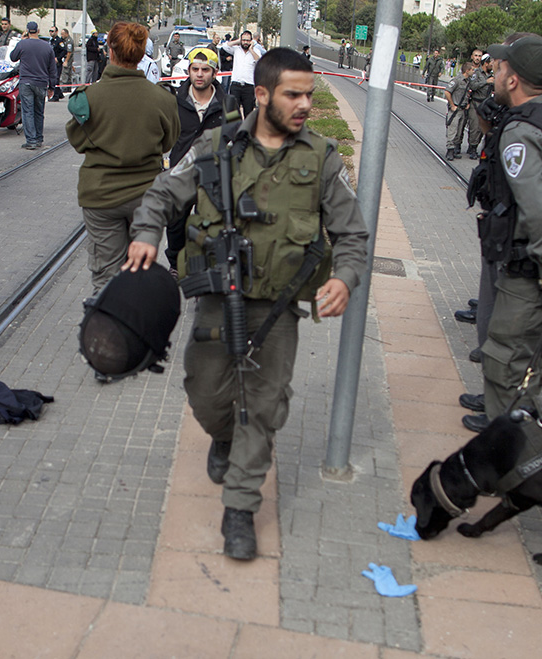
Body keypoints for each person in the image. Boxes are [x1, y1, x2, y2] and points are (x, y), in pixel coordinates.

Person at [123, 47, 367, 559]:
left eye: (310, 93)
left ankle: (240, 507)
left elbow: (352, 234)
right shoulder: (216, 146)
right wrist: (146, 232)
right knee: (206, 392)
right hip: (216, 297)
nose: (305, 104)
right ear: (262, 94)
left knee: (262, 406)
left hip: (279, 310)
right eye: (293, 94)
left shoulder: (320, 158)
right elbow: (162, 194)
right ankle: (222, 436)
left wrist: (345, 278)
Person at [460, 34, 542, 434]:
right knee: (529, 368)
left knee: (505, 365)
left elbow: (538, 210)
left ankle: (513, 468)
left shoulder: (522, 131)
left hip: (534, 272)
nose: (494, 75)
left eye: (499, 70)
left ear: (512, 80)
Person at [67, 21, 180, 292]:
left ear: (110, 51)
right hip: (147, 199)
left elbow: (77, 141)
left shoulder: (89, 97)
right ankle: (139, 327)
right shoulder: (162, 99)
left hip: (101, 196)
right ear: (142, 54)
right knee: (141, 273)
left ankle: (106, 329)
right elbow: (169, 142)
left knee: (106, 279)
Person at [163, 47, 224, 274]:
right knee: (176, 223)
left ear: (214, 73)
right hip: (181, 172)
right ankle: (175, 264)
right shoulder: (175, 101)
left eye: (205, 70)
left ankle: (204, 267)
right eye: (195, 69)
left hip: (213, 174)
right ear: (188, 71)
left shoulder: (226, 102)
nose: (199, 74)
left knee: (209, 223)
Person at [9, 21, 57, 150]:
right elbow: (52, 69)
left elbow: (13, 57)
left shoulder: (23, 44)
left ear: (27, 31)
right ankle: (39, 138)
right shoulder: (47, 46)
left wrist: (22, 40)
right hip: (41, 83)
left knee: (28, 111)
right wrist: (52, 87)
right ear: (38, 30)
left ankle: (31, 140)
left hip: (26, 82)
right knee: (39, 111)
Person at [219, 31, 266, 117]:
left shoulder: (255, 51)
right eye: (243, 40)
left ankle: (246, 130)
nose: (245, 42)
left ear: (251, 41)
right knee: (233, 113)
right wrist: (238, 41)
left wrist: (251, 49)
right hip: (236, 85)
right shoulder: (236, 50)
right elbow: (225, 46)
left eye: (247, 40)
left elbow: (259, 62)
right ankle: (234, 130)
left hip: (248, 86)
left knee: (248, 113)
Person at [465, 50, 494, 159]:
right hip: (476, 103)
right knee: (474, 127)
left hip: (486, 103)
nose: (492, 65)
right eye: (491, 63)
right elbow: (472, 86)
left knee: (482, 128)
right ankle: (472, 147)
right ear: (485, 63)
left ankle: (474, 146)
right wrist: (486, 82)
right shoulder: (476, 73)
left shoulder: (491, 75)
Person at [444, 61, 474, 160]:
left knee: (459, 131)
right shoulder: (457, 80)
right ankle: (450, 150)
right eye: (472, 70)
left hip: (462, 109)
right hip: (455, 109)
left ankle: (455, 149)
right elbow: (447, 92)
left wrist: (467, 103)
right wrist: (452, 105)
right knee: (452, 130)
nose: (473, 72)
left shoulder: (468, 81)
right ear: (467, 70)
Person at [58, 27, 75, 97]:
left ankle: (65, 88)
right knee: (68, 73)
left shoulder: (69, 41)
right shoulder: (64, 40)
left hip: (67, 59)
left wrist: (66, 61)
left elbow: (69, 52)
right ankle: (68, 87)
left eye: (63, 34)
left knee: (65, 73)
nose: (61, 35)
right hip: (66, 59)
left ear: (66, 34)